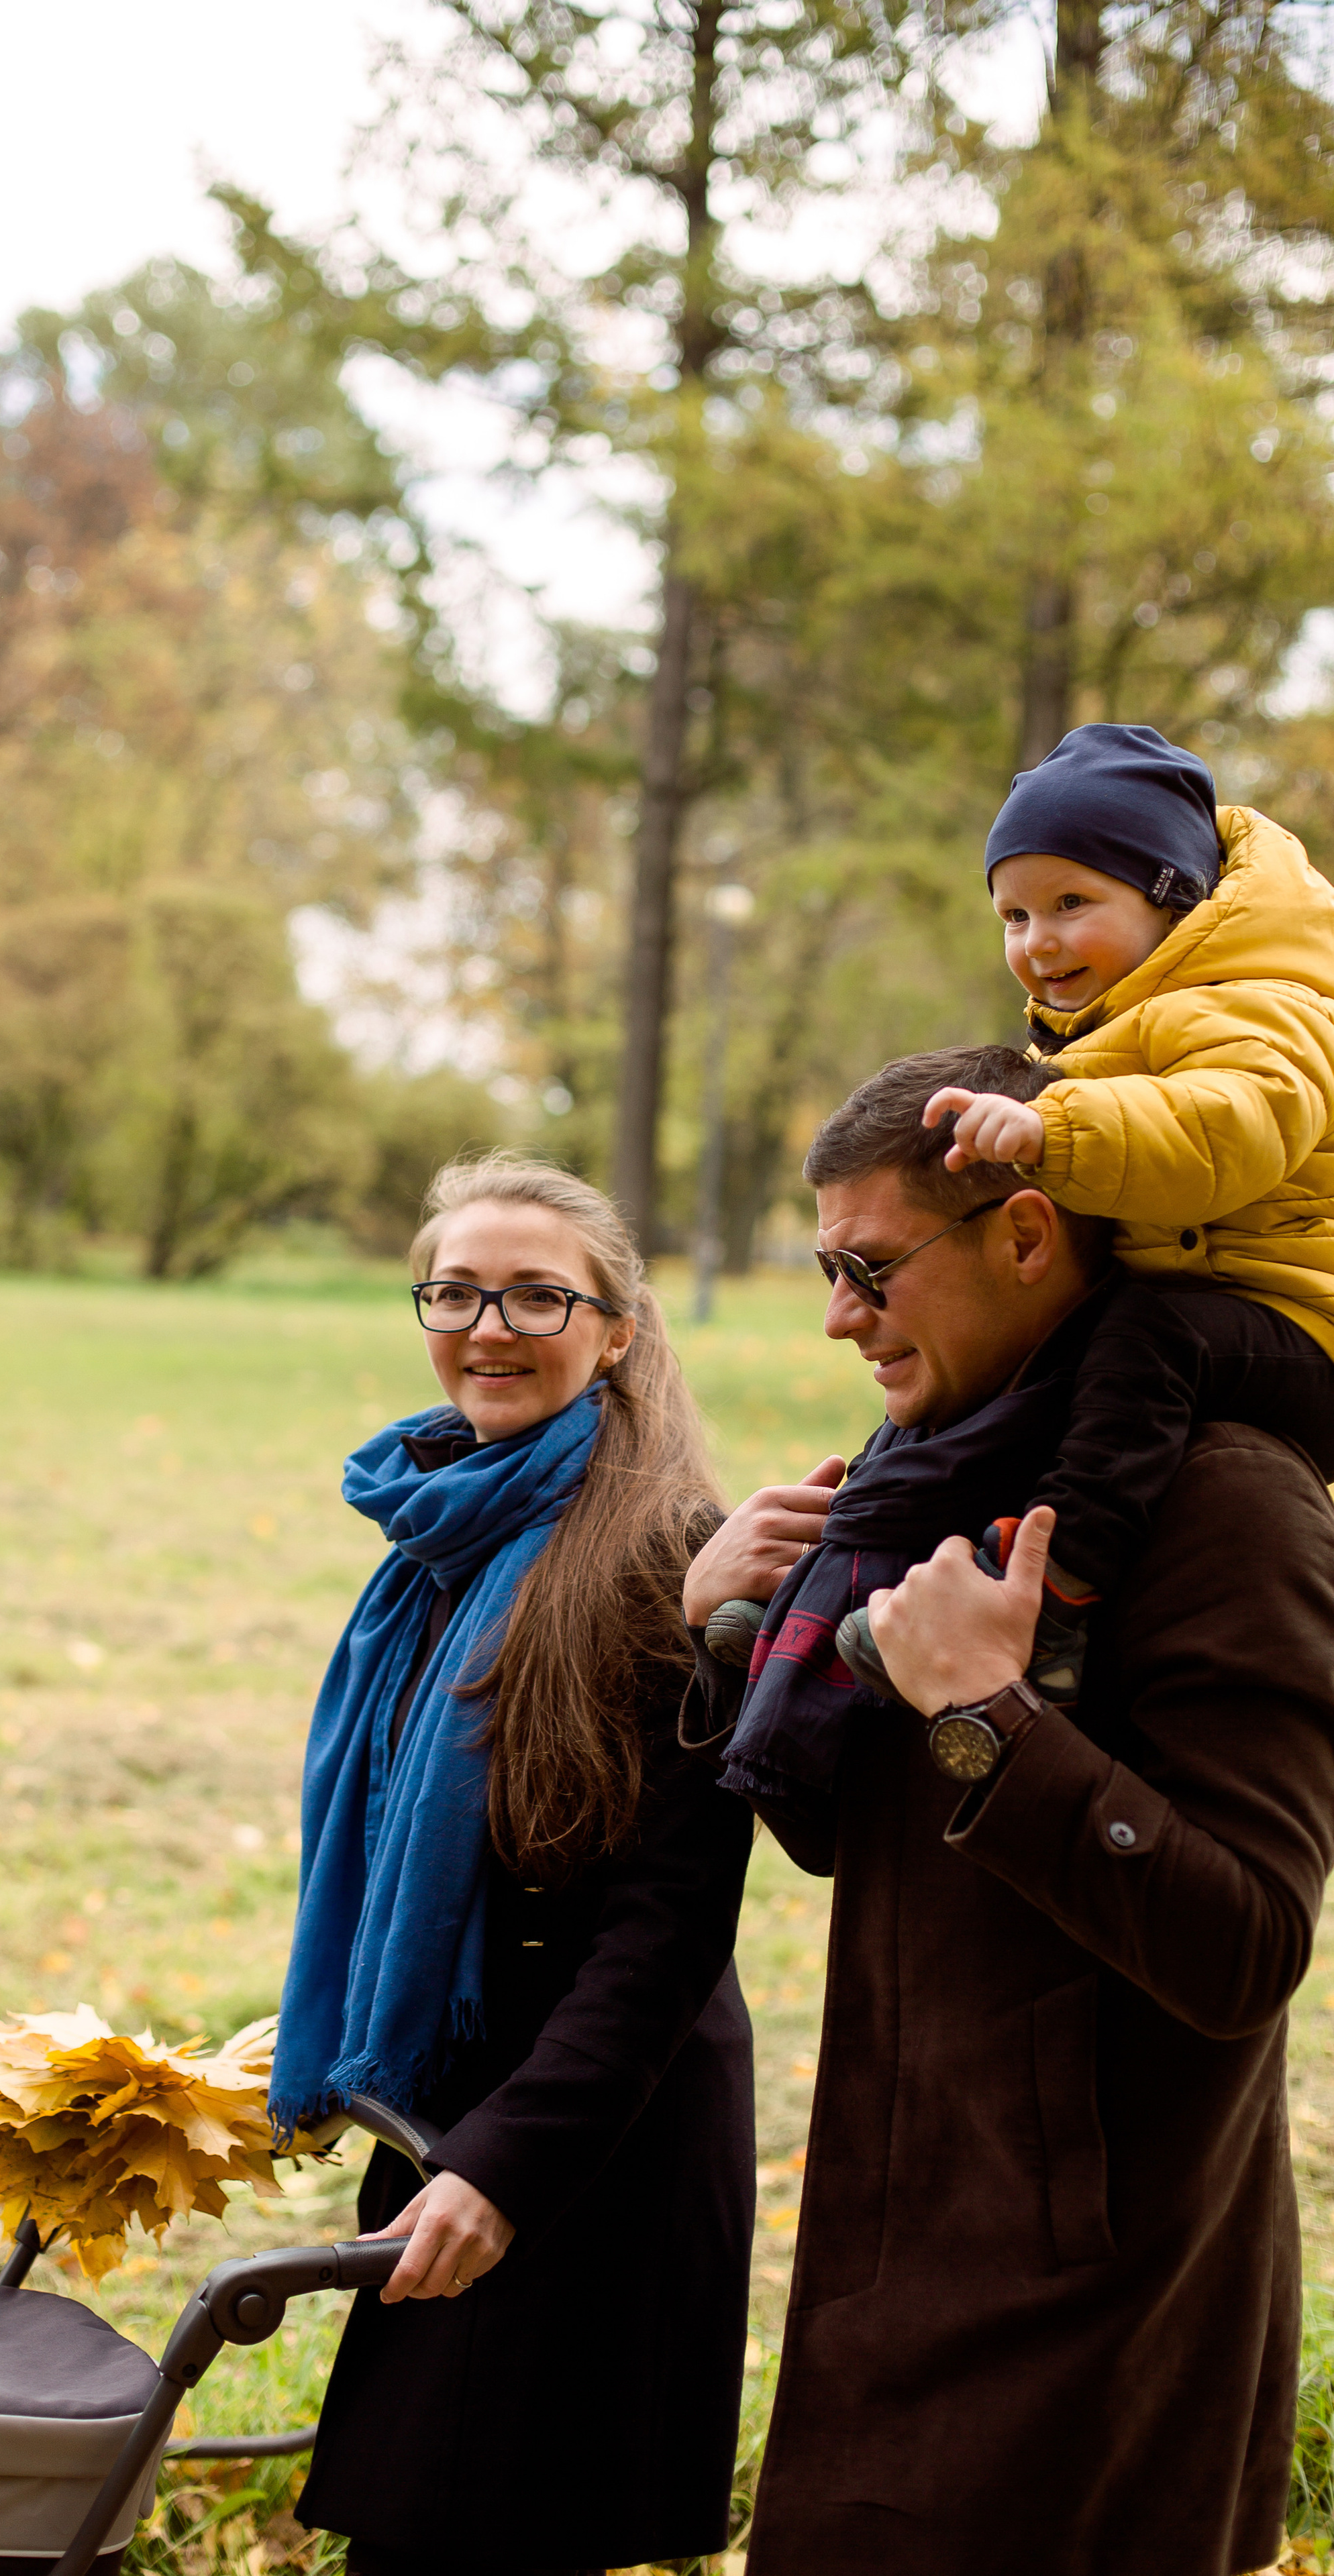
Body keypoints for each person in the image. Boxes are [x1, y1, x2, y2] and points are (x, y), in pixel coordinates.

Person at [682, 1044, 1334, 2576]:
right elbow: (859, 1831)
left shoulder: (1220, 1498)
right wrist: (719, 1639)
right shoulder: (918, 1488)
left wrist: (983, 1710)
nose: (836, 1315)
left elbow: (1243, 1948)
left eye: (867, 1267)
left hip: (1090, 2322)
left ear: (1026, 1234)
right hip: (897, 2226)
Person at [274, 1151, 756, 2576]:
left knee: (479, 2529)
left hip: (589, 2133)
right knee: (417, 2523)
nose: (489, 1328)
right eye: (457, 1292)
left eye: (538, 1297)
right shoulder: (441, 1525)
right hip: (455, 2103)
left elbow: (665, 1933)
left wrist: (504, 2170)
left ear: (616, 1329)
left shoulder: (666, 1556)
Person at [851, 722, 1334, 1708]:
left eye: (1074, 903)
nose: (1040, 942)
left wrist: (1049, 1131)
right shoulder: (1122, 1019)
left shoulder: (1259, 1002)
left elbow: (1225, 1135)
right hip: (1218, 1312)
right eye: (1015, 915)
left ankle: (1057, 1588)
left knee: (1152, 1333)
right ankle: (844, 1554)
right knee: (1007, 1352)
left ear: (1175, 898)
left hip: (1306, 1328)